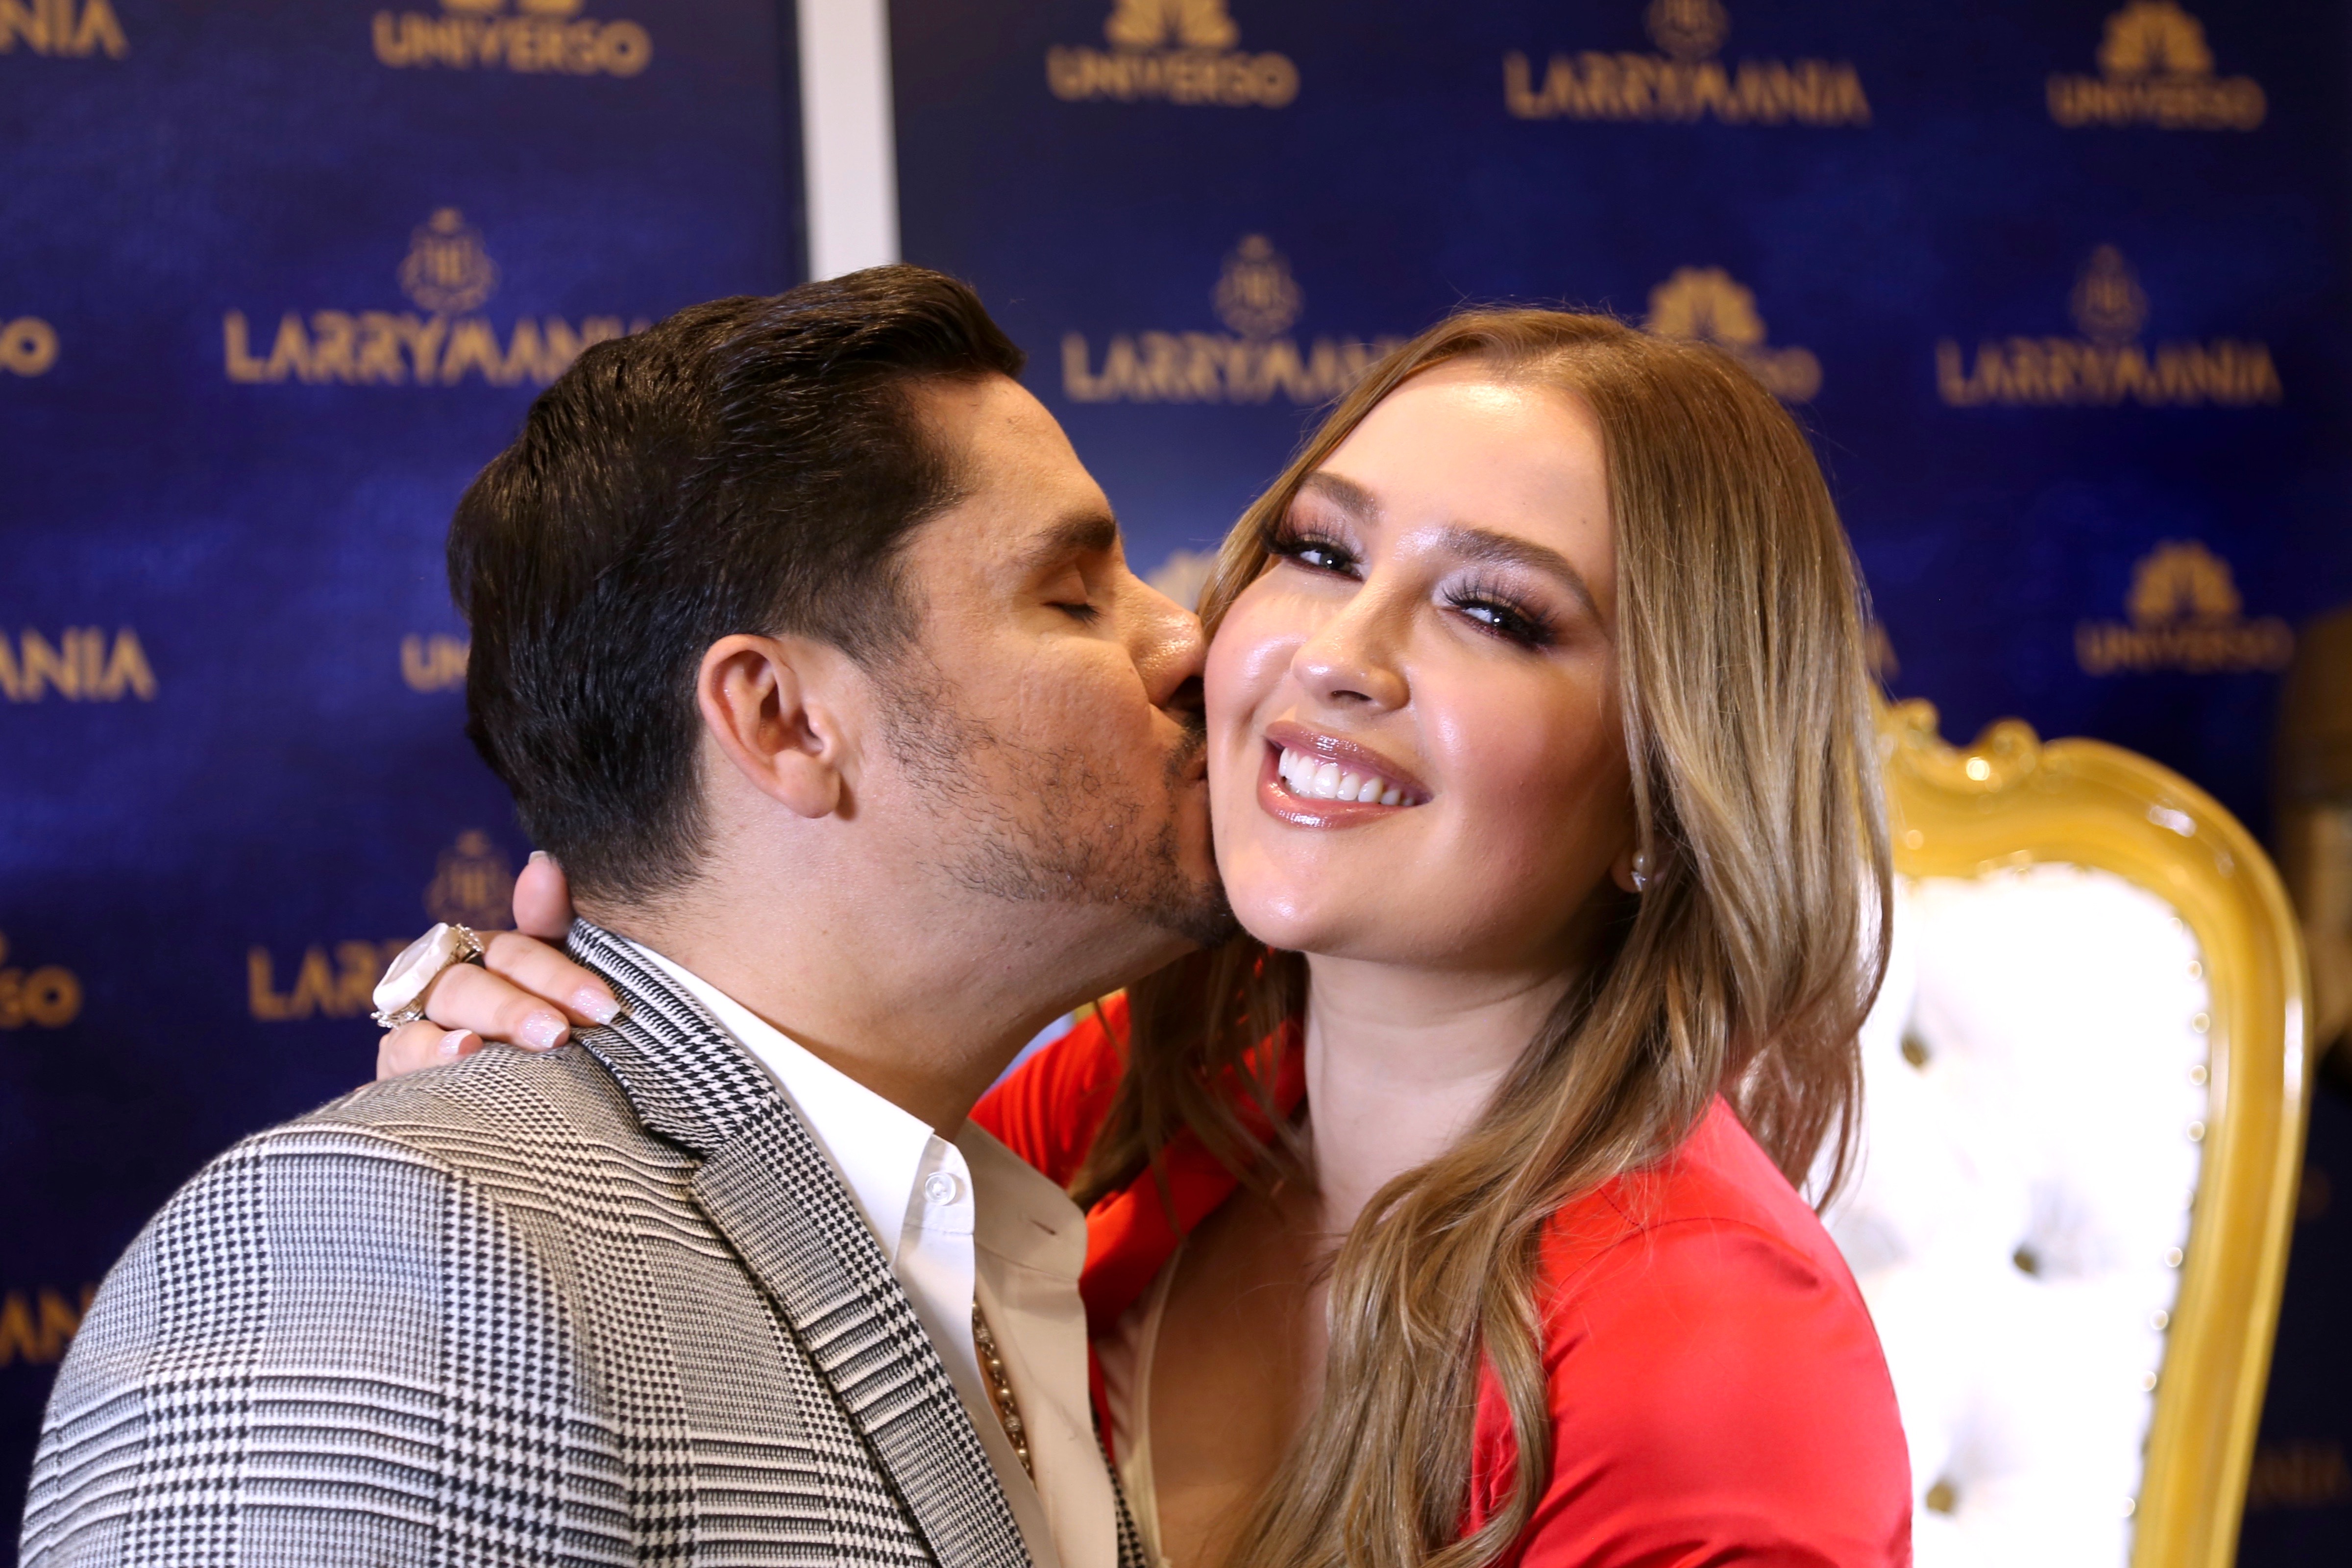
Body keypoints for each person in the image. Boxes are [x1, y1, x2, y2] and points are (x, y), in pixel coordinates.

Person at [376, 308, 1916, 1566]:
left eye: (1498, 615)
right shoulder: (1141, 1092)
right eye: (1319, 553)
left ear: (1668, 786)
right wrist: (566, 1068)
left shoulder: (1712, 1368)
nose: (1333, 655)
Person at [22, 267, 1229, 1568]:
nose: (1191, 640)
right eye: (1076, 595)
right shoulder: (388, 1250)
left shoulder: (998, 1235)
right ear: (784, 719)